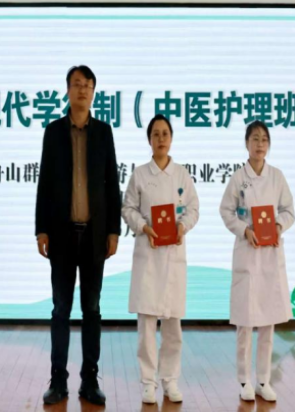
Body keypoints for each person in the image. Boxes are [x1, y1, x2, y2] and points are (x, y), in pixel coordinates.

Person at [35, 65, 122, 406]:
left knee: (92, 309)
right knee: (60, 309)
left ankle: (90, 381)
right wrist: (41, 228)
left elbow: (112, 184)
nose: (82, 89)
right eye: (76, 84)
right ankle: (58, 380)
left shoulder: (104, 132)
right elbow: (44, 182)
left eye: (87, 85)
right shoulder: (53, 132)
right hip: (61, 235)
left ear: (93, 91)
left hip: (95, 236)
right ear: (68, 91)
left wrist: (114, 230)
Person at [121, 115, 199, 404]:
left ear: (171, 138)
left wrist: (183, 226)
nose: (161, 138)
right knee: (146, 325)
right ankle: (148, 381)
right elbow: (128, 208)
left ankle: (170, 379)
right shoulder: (140, 175)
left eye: (165, 133)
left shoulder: (182, 175)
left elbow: (193, 208)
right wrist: (143, 227)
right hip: (149, 255)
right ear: (149, 140)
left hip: (173, 256)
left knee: (173, 325)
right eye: (156, 134)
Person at [219, 121, 295, 403]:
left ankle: (264, 379)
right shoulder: (239, 178)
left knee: (268, 322)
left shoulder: (277, 177)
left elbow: (289, 211)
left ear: (269, 144)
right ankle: (244, 380)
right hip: (248, 254)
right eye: (255, 139)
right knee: (245, 322)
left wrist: (278, 226)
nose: (260, 144)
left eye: (264, 139)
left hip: (270, 256)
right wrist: (244, 230)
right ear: (247, 143)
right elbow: (226, 211)